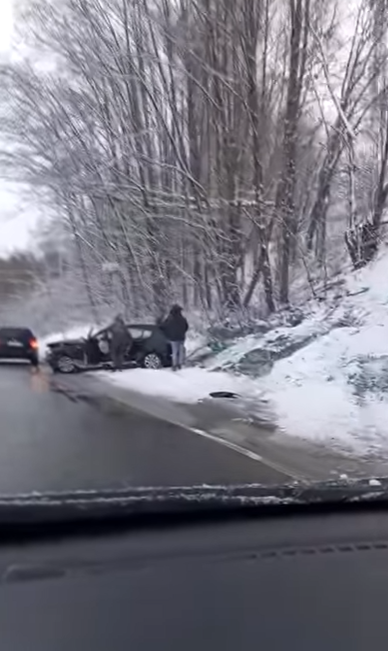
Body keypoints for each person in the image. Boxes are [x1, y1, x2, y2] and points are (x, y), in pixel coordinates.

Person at [162, 304, 189, 371]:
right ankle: (179, 364)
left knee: (174, 352)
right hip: (181, 337)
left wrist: (168, 334)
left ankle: (174, 365)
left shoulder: (170, 319)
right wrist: (182, 332)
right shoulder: (183, 319)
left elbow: (164, 326)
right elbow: (186, 327)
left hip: (173, 338)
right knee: (180, 351)